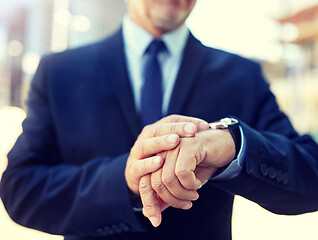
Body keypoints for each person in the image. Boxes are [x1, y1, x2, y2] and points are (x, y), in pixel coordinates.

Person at [1, 0, 318, 239]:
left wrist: (233, 143)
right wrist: (123, 182)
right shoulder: (60, 73)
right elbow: (20, 189)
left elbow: (311, 174)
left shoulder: (241, 75)